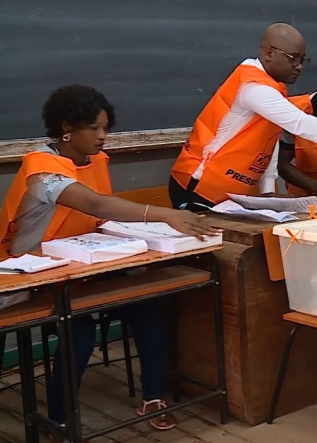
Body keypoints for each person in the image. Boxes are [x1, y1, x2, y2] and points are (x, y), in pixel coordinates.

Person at [0, 85, 220, 436]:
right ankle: (60, 415)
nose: (104, 137)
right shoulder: (42, 168)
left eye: (106, 127)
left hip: (83, 263)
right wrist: (164, 216)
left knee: (147, 308)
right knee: (80, 325)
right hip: (32, 272)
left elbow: (98, 218)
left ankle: (153, 398)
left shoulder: (95, 159)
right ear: (67, 127)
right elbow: (96, 204)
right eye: (95, 128)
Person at [168, 23, 317, 210]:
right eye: (293, 58)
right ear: (269, 53)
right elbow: (301, 123)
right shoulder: (253, 87)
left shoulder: (272, 88)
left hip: (227, 191)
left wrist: (268, 190)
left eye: (303, 60)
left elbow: (268, 145)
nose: (299, 66)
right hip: (198, 186)